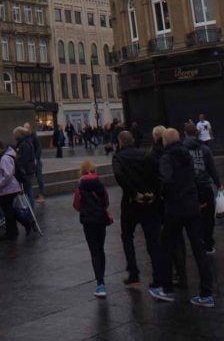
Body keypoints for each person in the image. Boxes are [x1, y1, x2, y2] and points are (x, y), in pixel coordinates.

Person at [150, 128, 213, 308]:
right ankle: (206, 293)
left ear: (164, 141)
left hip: (175, 209)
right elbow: (195, 177)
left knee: (167, 247)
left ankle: (167, 289)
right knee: (199, 250)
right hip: (192, 206)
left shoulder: (167, 158)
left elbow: (166, 181)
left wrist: (160, 193)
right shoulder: (187, 154)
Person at [112, 130, 161, 288]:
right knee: (152, 239)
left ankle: (133, 273)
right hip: (149, 201)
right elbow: (158, 173)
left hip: (131, 202)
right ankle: (157, 276)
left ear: (120, 141)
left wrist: (133, 193)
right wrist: (153, 192)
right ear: (133, 139)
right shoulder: (146, 154)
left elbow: (119, 175)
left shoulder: (119, 157)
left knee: (127, 237)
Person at [73, 158, 111, 298]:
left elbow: (76, 205)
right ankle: (102, 279)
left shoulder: (80, 186)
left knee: (94, 250)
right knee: (100, 249)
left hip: (88, 221)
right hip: (101, 219)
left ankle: (100, 284)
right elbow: (106, 202)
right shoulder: (100, 184)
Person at [183, 121, 221, 254]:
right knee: (208, 218)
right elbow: (212, 168)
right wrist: (218, 184)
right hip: (205, 186)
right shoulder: (205, 149)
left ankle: (197, 243)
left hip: (190, 189)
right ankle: (208, 243)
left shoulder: (182, 150)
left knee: (193, 219)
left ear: (185, 133)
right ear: (197, 132)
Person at [0, 138, 30, 241]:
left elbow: (8, 174)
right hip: (10, 188)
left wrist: (0, 184)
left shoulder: (4, 158)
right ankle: (15, 229)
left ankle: (15, 230)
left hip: (8, 188)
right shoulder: (8, 156)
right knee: (10, 210)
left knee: (8, 210)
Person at [13, 126, 37, 211]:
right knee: (28, 190)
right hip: (27, 171)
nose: (14, 137)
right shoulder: (24, 142)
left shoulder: (25, 144)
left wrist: (19, 165)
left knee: (28, 191)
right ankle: (30, 208)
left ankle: (30, 208)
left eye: (15, 135)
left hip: (27, 171)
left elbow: (25, 159)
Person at [24, 121, 46, 203]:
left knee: (39, 177)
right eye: (24, 128)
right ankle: (31, 196)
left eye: (27, 128)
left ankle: (42, 194)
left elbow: (39, 148)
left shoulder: (34, 137)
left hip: (36, 161)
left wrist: (36, 158)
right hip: (29, 162)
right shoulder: (25, 138)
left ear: (30, 128)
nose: (25, 129)